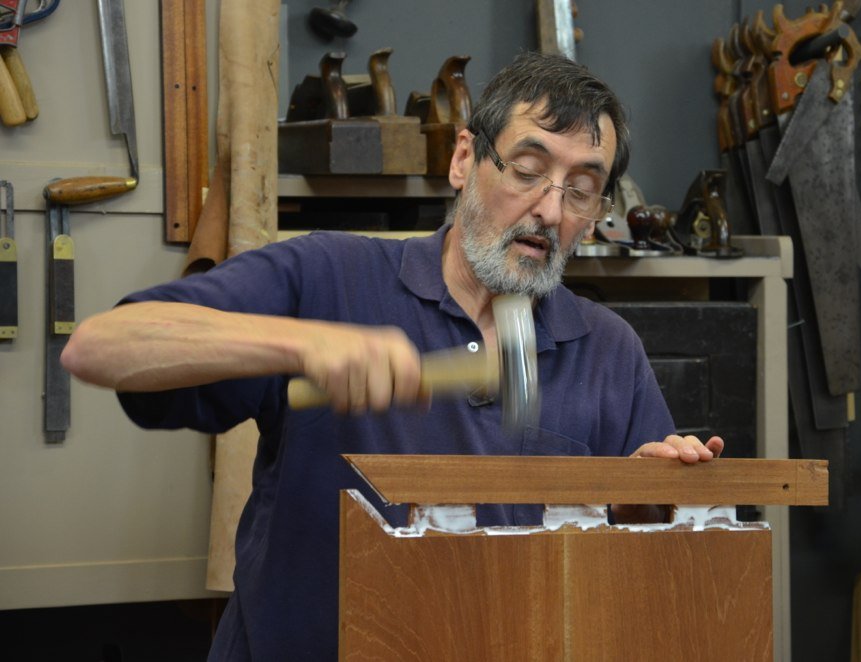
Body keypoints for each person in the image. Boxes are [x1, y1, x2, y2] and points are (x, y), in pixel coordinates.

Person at [62, 51, 724, 660]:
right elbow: (101, 347)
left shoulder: (606, 350)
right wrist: (303, 342)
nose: (550, 210)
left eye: (580, 189)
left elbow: (650, 588)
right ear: (463, 160)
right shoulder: (330, 276)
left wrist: (644, 513)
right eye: (527, 171)